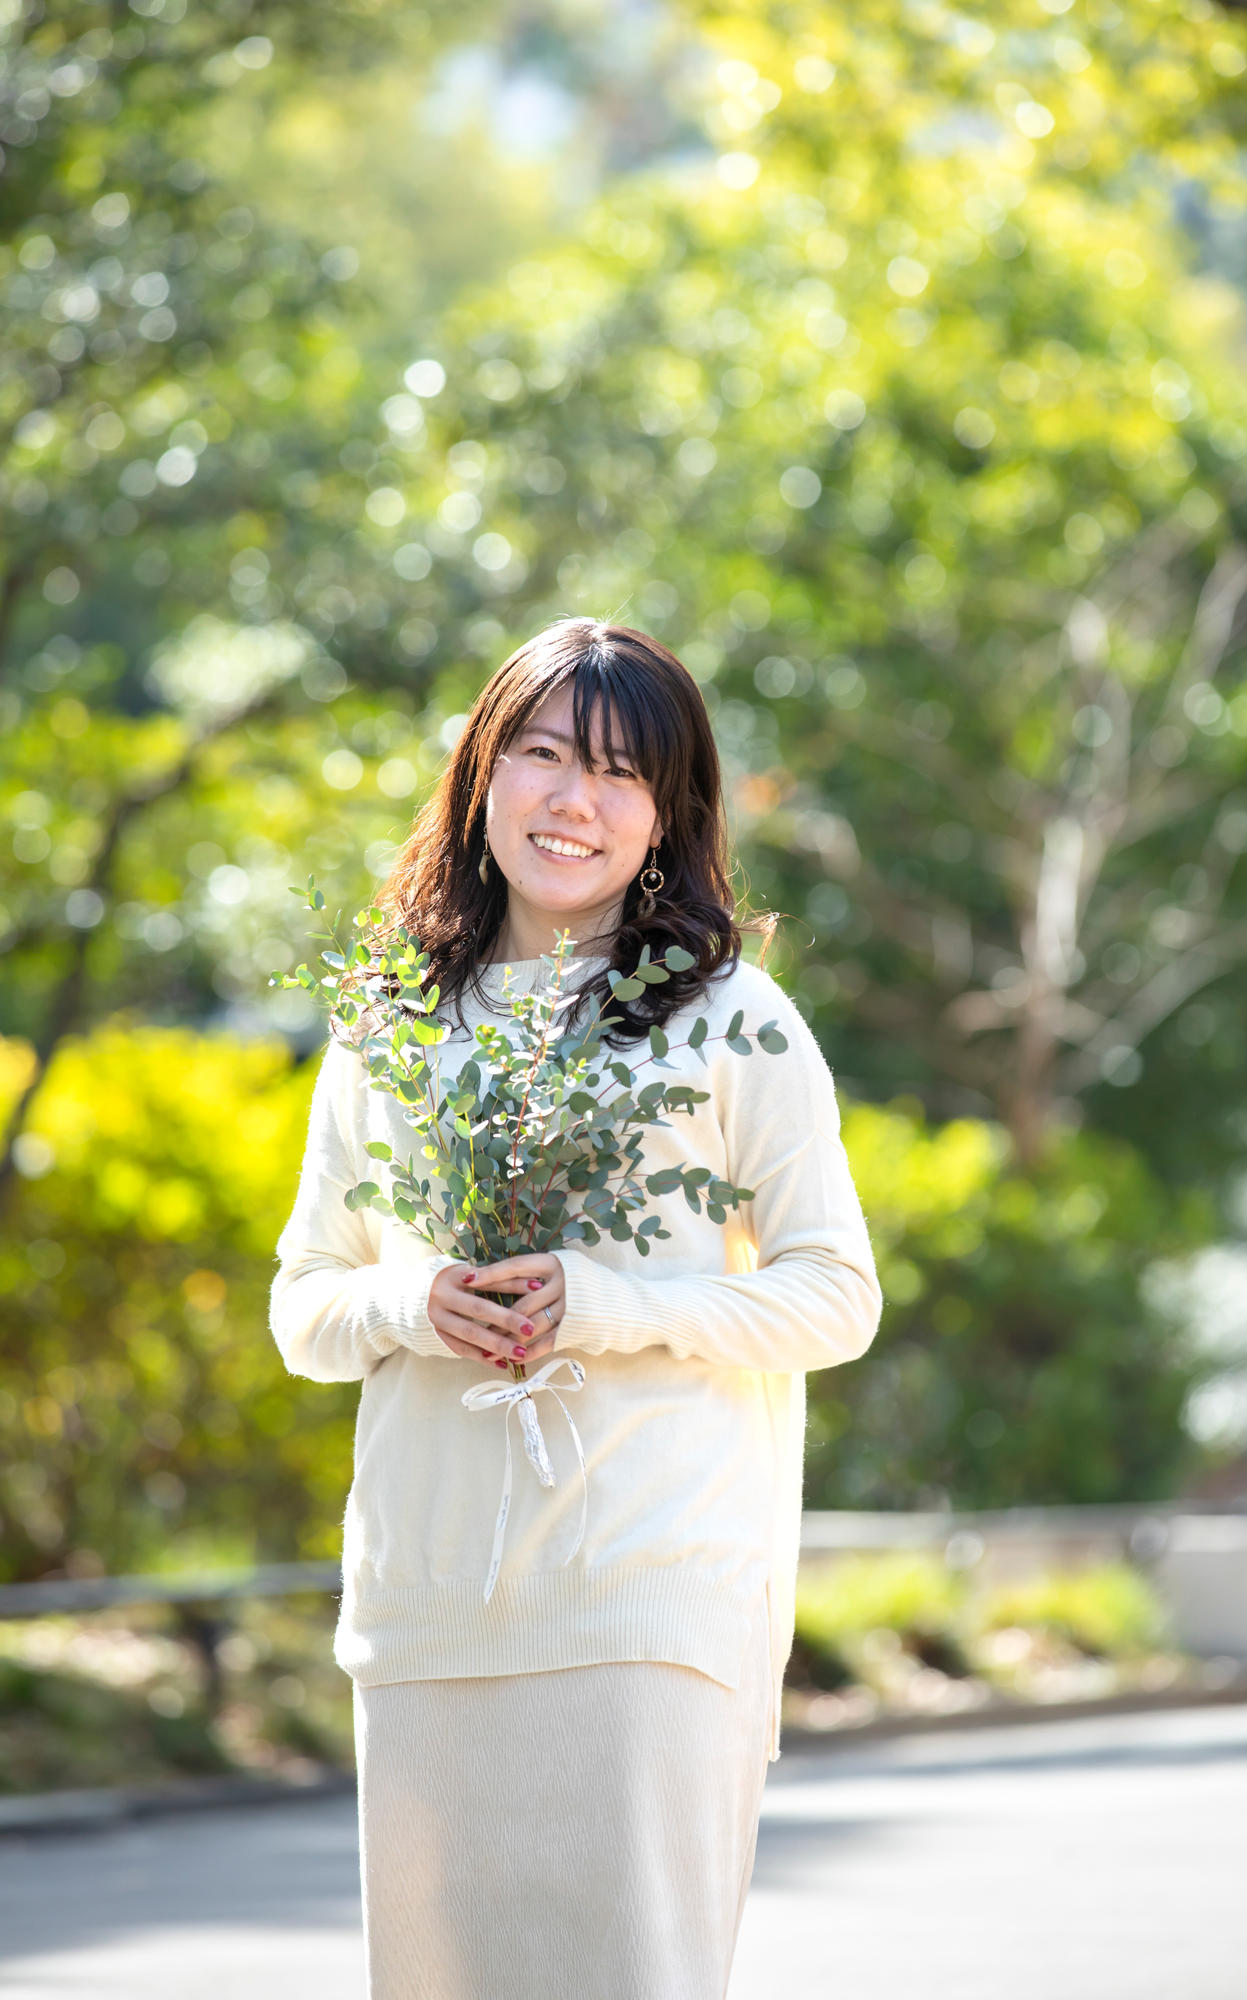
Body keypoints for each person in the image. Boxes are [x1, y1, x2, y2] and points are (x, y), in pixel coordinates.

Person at [269, 617, 882, 2000]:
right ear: (480, 779)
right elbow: (305, 1310)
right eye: (541, 756)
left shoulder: (734, 1021)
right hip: (429, 1609)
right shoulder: (392, 1026)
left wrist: (616, 1304)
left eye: (618, 773)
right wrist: (413, 1304)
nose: (572, 801)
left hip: (649, 1594)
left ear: (667, 814)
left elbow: (833, 1296)